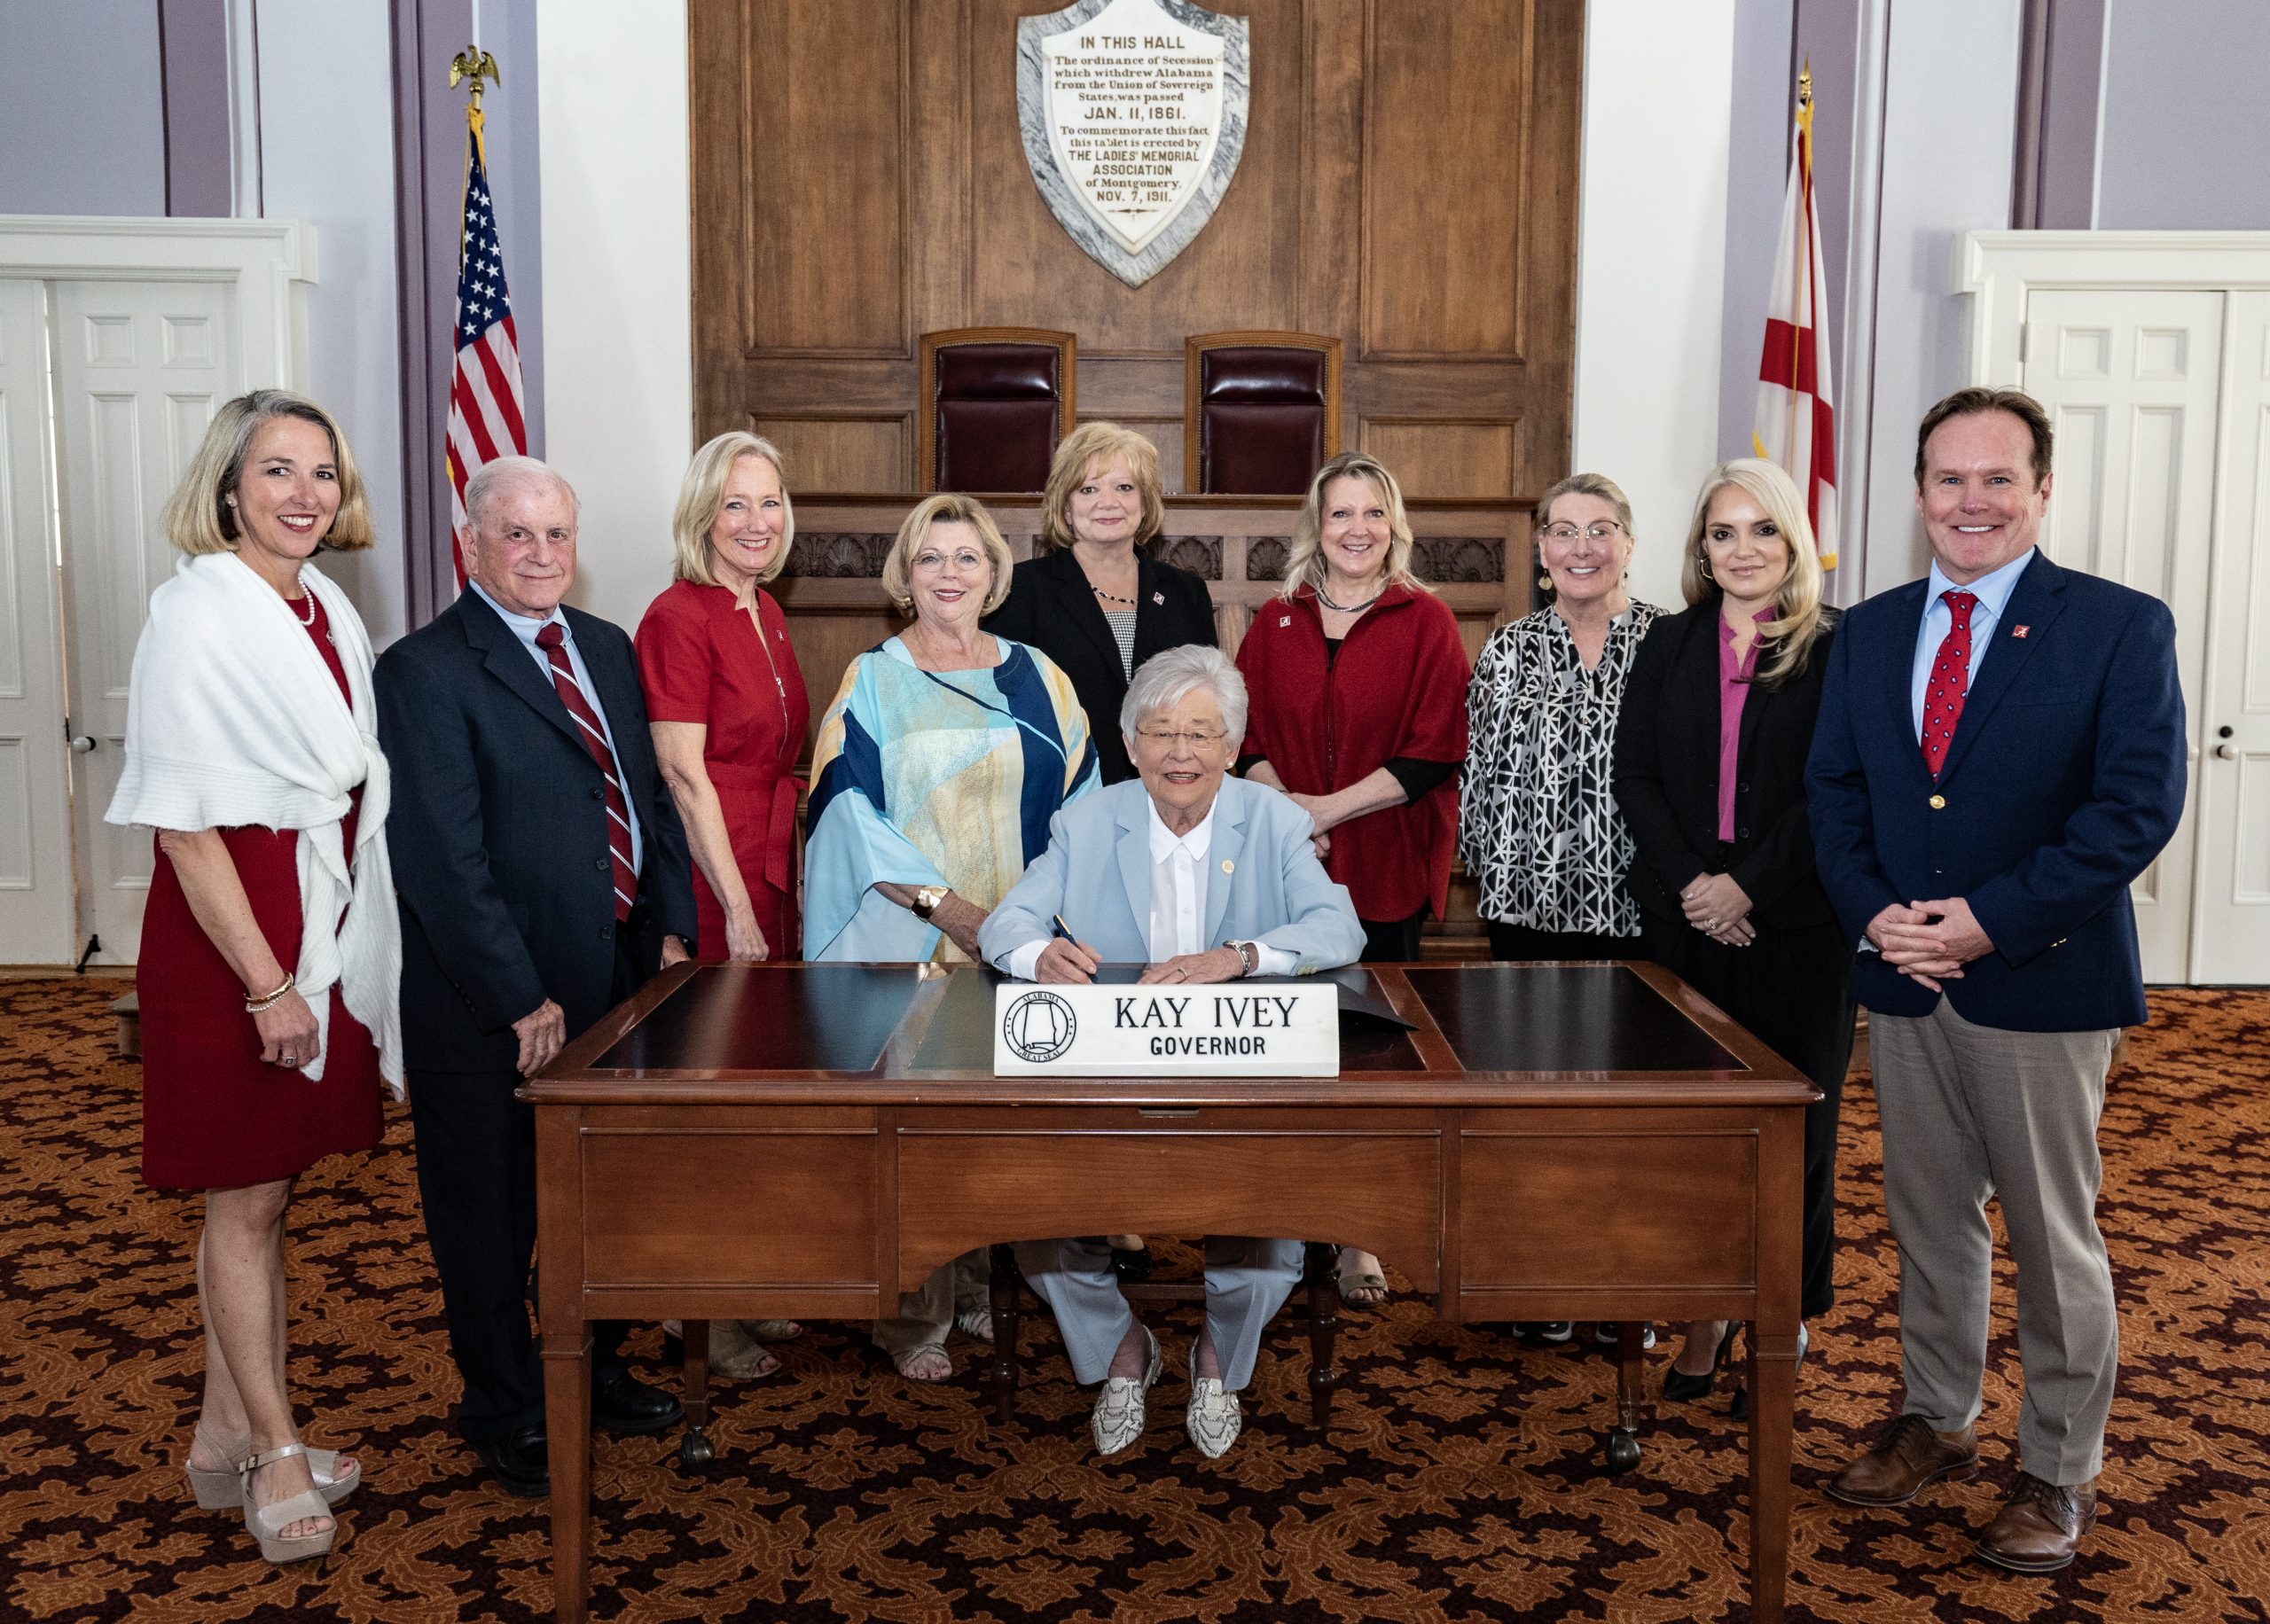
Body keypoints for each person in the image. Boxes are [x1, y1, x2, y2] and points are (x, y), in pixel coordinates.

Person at [1807, 387, 2186, 1573]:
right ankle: (1938, 1420)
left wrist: (1984, 923)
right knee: (1929, 1224)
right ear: (1918, 493)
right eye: (1948, 480)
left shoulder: (2119, 627)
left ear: (2040, 488)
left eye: (1996, 478)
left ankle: (2058, 1469)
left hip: (2040, 981)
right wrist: (1879, 916)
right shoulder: (1865, 631)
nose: (1971, 500)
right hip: (1905, 986)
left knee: (2051, 1237)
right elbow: (1837, 796)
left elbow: (2134, 811)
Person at [106, 389, 398, 1564]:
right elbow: (183, 828)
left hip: (314, 919)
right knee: (241, 1194)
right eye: (277, 471)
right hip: (236, 940)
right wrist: (269, 985)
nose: (304, 495)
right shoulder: (195, 615)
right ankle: (276, 1452)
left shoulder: (324, 606)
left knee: (270, 1193)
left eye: (321, 473)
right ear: (230, 487)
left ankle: (221, 1437)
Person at [377, 456, 696, 1499]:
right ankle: (505, 1403)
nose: (540, 553)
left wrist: (674, 935)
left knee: (601, 1196)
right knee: (492, 1207)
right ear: (470, 541)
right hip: (495, 1001)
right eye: (516, 534)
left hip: (616, 977)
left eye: (556, 533)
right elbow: (441, 859)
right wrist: (519, 994)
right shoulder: (425, 669)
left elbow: (647, 800)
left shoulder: (600, 644)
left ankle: (593, 1364)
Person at [978, 645, 1364, 1457]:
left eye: (1201, 734)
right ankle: (1122, 1348)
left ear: (1232, 746)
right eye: (1160, 732)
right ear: (1131, 744)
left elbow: (1339, 929)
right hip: (1110, 1073)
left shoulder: (1277, 822)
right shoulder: (1087, 822)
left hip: (1241, 1070)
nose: (1180, 753)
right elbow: (1007, 923)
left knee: (1274, 1230)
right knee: (1033, 1218)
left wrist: (1242, 955)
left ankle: (1219, 1359)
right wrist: (1033, 956)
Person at [804, 492, 1100, 1379]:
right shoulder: (873, 677)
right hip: (914, 938)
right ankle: (910, 1316)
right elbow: (845, 811)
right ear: (905, 573)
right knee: (915, 1133)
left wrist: (1041, 916)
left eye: (967, 557)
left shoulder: (1040, 675)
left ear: (993, 573)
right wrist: (951, 910)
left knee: (997, 1123)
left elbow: (1082, 801)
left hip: (1021, 937)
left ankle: (977, 1282)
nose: (949, 574)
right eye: (930, 557)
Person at [1613, 458, 1851, 1407]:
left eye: (1760, 529)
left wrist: (1747, 884)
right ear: (1699, 549)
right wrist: (1697, 887)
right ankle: (1706, 1311)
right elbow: (1637, 777)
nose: (1740, 548)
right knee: (1694, 1133)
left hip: (1795, 925)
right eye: (1722, 532)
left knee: (1796, 1131)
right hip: (1683, 927)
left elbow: (1833, 790)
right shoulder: (1670, 643)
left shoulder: (1835, 646)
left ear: (1791, 540)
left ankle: (1778, 1319)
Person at [1233, 450, 1468, 1308]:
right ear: (1316, 525)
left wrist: (1323, 810)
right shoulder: (1276, 620)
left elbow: (1435, 746)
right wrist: (1286, 810)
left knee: (1372, 1057)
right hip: (1284, 873)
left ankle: (1363, 1233)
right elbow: (1240, 733)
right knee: (1287, 1052)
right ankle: (1288, 1218)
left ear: (1392, 526)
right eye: (1340, 513)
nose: (1357, 529)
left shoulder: (1425, 619)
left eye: (1372, 513)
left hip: (1383, 864)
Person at [635, 433, 810, 1380]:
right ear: (704, 511)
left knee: (756, 1081)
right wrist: (735, 910)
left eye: (770, 502)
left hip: (768, 854)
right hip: (713, 868)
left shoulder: (765, 607)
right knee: (703, 1090)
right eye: (737, 503)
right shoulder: (678, 612)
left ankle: (739, 1277)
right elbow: (682, 772)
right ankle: (689, 1306)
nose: (756, 521)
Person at [1462, 472, 1665, 961]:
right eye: (1564, 532)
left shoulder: (1669, 642)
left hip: (1642, 900)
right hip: (1523, 899)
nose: (1582, 548)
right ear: (1542, 547)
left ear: (1629, 546)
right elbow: (1477, 773)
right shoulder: (1507, 646)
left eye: (1600, 530)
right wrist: (1484, 863)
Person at [985, 420, 1217, 786]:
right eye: (1088, 489)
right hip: (1061, 792)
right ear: (1065, 506)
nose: (1107, 502)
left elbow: (1208, 702)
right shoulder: (1021, 589)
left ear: (1145, 503)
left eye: (1124, 487)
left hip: (1168, 792)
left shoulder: (1185, 592)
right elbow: (1000, 707)